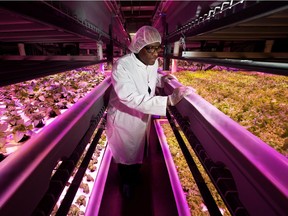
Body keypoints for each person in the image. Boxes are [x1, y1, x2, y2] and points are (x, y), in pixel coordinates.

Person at [106, 25, 190, 198]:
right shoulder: (122, 66)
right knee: (126, 156)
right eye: (149, 49)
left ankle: (134, 176)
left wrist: (162, 79)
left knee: (137, 152)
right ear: (138, 48)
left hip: (142, 116)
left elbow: (149, 78)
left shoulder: (151, 62)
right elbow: (129, 97)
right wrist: (168, 101)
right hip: (125, 119)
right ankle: (126, 183)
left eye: (157, 48)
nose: (155, 53)